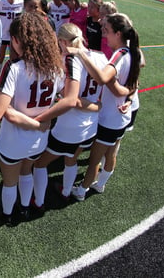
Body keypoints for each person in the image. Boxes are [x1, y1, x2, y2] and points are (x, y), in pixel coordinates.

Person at [0, 12, 64, 226]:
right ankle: (25, 209)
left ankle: (8, 214)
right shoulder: (56, 67)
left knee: (10, 182)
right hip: (38, 139)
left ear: (17, 40)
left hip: (13, 140)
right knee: (27, 172)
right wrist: (42, 120)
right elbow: (64, 98)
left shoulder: (14, 67)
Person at [29, 23, 107, 207]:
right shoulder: (99, 56)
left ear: (63, 41)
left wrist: (44, 115)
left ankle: (38, 202)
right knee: (71, 158)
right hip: (90, 126)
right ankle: (65, 192)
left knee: (40, 164)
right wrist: (97, 106)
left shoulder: (72, 60)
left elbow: (73, 99)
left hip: (71, 125)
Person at [68, 13, 142, 201]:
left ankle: (81, 191)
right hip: (121, 118)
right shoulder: (134, 51)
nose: (104, 34)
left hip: (110, 118)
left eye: (107, 31)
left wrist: (81, 54)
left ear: (118, 33)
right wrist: (127, 98)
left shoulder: (120, 54)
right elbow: (134, 84)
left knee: (94, 160)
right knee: (111, 153)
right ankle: (100, 185)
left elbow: (102, 78)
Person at [0, 0, 23, 65]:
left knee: (13, 56)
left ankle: (11, 71)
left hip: (14, 34)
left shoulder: (21, 2)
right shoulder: (0, 2)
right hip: (3, 33)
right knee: (1, 56)